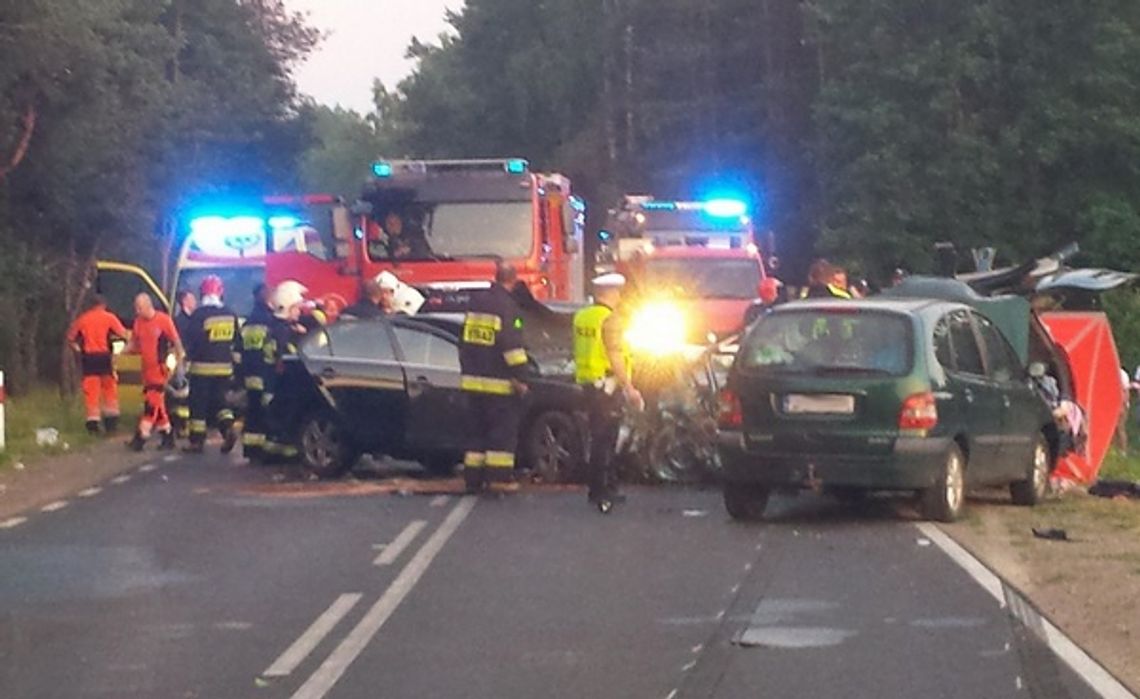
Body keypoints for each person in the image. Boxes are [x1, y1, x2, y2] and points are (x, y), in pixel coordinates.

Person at [458, 263, 530, 494]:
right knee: (501, 435)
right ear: (514, 280)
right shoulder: (508, 307)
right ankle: (498, 480)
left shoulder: (476, 303)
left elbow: (464, 343)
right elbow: (512, 348)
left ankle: (473, 480)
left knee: (476, 435)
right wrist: (521, 376)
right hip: (499, 385)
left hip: (472, 382)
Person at [574, 273, 642, 509]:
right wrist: (630, 388)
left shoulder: (582, 316)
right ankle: (605, 490)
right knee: (607, 438)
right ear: (611, 293)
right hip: (607, 386)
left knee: (597, 437)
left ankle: (596, 489)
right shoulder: (610, 319)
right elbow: (614, 355)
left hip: (587, 383)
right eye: (618, 292)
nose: (620, 297)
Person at [182, 275, 240, 454]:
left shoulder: (199, 315)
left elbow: (192, 340)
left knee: (198, 404)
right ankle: (228, 427)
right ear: (220, 292)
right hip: (224, 368)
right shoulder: (230, 314)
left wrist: (187, 360)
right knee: (220, 402)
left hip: (202, 368)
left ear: (202, 293)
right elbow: (236, 340)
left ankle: (197, 442)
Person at [126, 294, 183, 451]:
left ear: (148, 305)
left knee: (151, 405)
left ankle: (141, 437)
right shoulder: (138, 323)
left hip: (160, 369)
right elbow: (133, 342)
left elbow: (176, 342)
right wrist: (121, 353)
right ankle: (167, 436)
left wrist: (177, 364)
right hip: (147, 371)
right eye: (136, 308)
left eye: (139, 307)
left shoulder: (163, 320)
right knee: (157, 405)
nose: (137, 311)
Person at [67, 294, 130, 435]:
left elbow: (71, 338)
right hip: (104, 357)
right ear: (103, 305)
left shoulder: (83, 319)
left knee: (91, 391)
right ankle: (111, 424)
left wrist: (79, 350)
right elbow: (124, 334)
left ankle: (92, 423)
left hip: (88, 358)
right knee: (109, 390)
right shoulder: (109, 318)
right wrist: (118, 349)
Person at [236, 284, 274, 462]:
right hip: (265, 374)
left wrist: (239, 374)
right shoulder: (269, 320)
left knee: (252, 411)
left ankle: (251, 450)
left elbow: (238, 351)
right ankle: (264, 450)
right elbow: (272, 350)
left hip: (249, 374)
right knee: (264, 412)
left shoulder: (249, 321)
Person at [170, 290, 197, 437]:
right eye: (192, 299)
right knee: (182, 394)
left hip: (186, 359)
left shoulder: (186, 319)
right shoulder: (181, 321)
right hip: (184, 360)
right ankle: (181, 425)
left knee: (184, 393)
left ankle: (182, 425)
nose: (195, 302)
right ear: (184, 301)